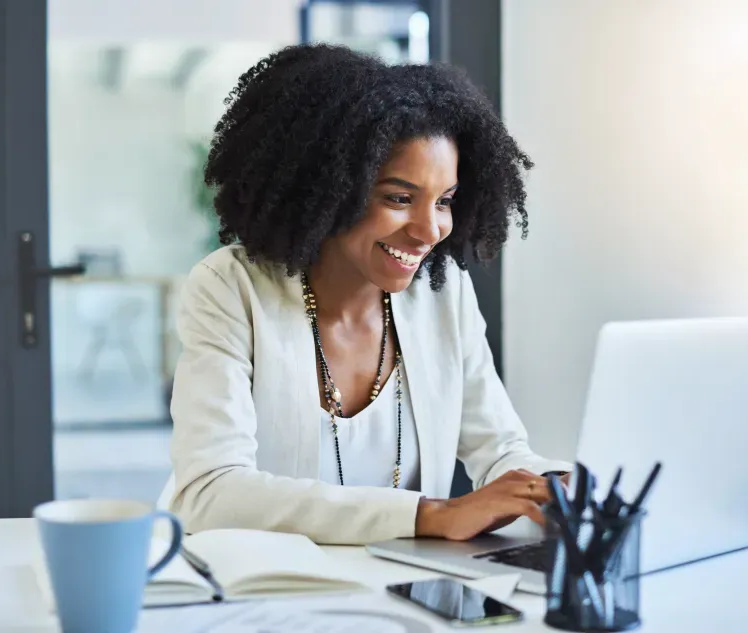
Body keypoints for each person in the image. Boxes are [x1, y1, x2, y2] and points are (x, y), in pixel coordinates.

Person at [164, 44, 572, 545]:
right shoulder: (232, 289)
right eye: (399, 198)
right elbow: (210, 493)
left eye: (444, 201)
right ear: (328, 188)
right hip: (264, 598)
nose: (429, 230)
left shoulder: (443, 297)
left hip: (403, 600)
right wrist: (430, 515)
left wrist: (553, 488)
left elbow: (502, 450)